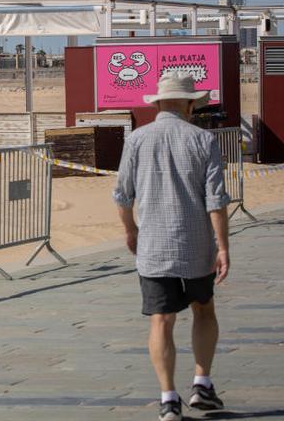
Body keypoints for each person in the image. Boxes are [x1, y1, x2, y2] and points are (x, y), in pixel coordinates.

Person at [112, 71, 230, 421]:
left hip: (153, 245)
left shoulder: (137, 139)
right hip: (196, 245)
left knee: (161, 320)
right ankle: (202, 383)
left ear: (159, 102)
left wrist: (130, 229)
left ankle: (168, 399)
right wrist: (223, 246)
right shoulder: (202, 140)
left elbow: (122, 194)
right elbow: (216, 201)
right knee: (203, 309)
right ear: (191, 104)